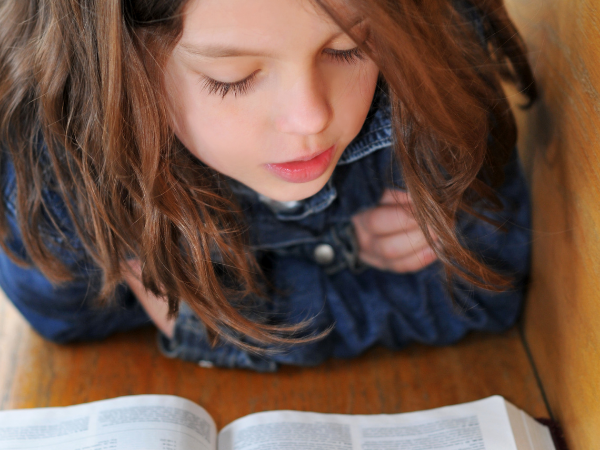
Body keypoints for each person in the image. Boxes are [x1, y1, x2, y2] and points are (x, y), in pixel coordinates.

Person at [0, 0, 536, 371]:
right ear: (120, 64)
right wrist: (338, 258)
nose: (310, 118)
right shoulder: (52, 149)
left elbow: (483, 288)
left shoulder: (430, 65)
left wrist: (203, 310)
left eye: (349, 48)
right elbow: (62, 316)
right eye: (232, 78)